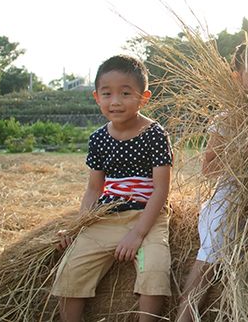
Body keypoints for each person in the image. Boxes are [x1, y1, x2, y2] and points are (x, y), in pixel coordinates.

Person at [52, 55, 173, 321]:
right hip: (107, 217)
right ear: (97, 97)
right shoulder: (98, 139)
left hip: (147, 217)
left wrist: (137, 234)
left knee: (154, 268)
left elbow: (161, 190)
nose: (115, 101)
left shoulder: (155, 134)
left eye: (126, 93)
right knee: (72, 269)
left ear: (144, 97)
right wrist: (78, 226)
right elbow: (94, 189)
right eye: (107, 94)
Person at [176, 42, 248, 322]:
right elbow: (209, 168)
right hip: (230, 199)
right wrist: (242, 153)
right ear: (238, 78)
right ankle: (185, 316)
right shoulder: (227, 119)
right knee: (210, 260)